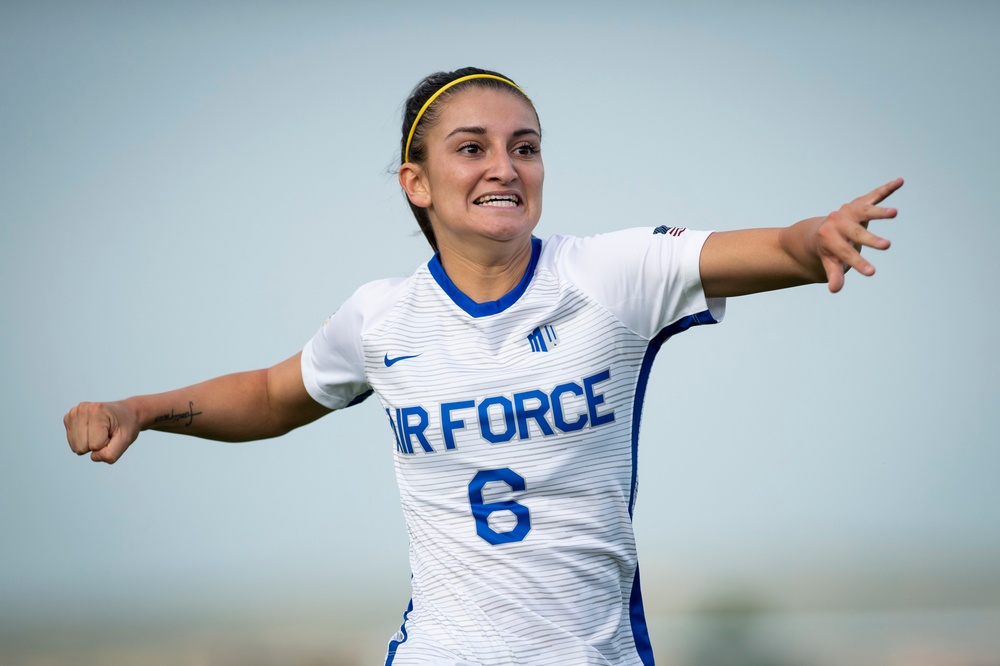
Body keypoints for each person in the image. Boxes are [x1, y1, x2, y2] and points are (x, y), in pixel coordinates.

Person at [64, 66, 903, 665]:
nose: (505, 166)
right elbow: (269, 395)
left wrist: (812, 239)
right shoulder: (380, 315)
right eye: (472, 148)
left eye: (526, 147)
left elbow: (764, 250)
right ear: (416, 182)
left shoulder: (609, 274)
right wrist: (143, 409)